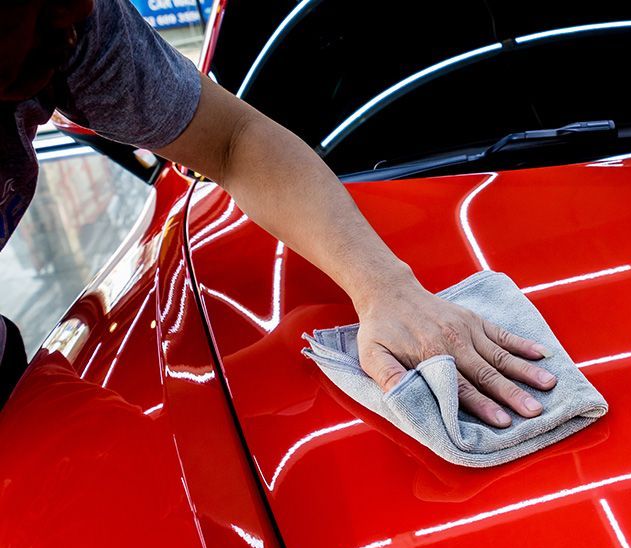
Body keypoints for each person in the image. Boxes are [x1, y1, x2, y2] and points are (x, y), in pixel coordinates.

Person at [0, 0, 557, 420]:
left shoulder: (71, 27)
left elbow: (233, 142)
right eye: (46, 18)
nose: (72, 33)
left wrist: (386, 286)